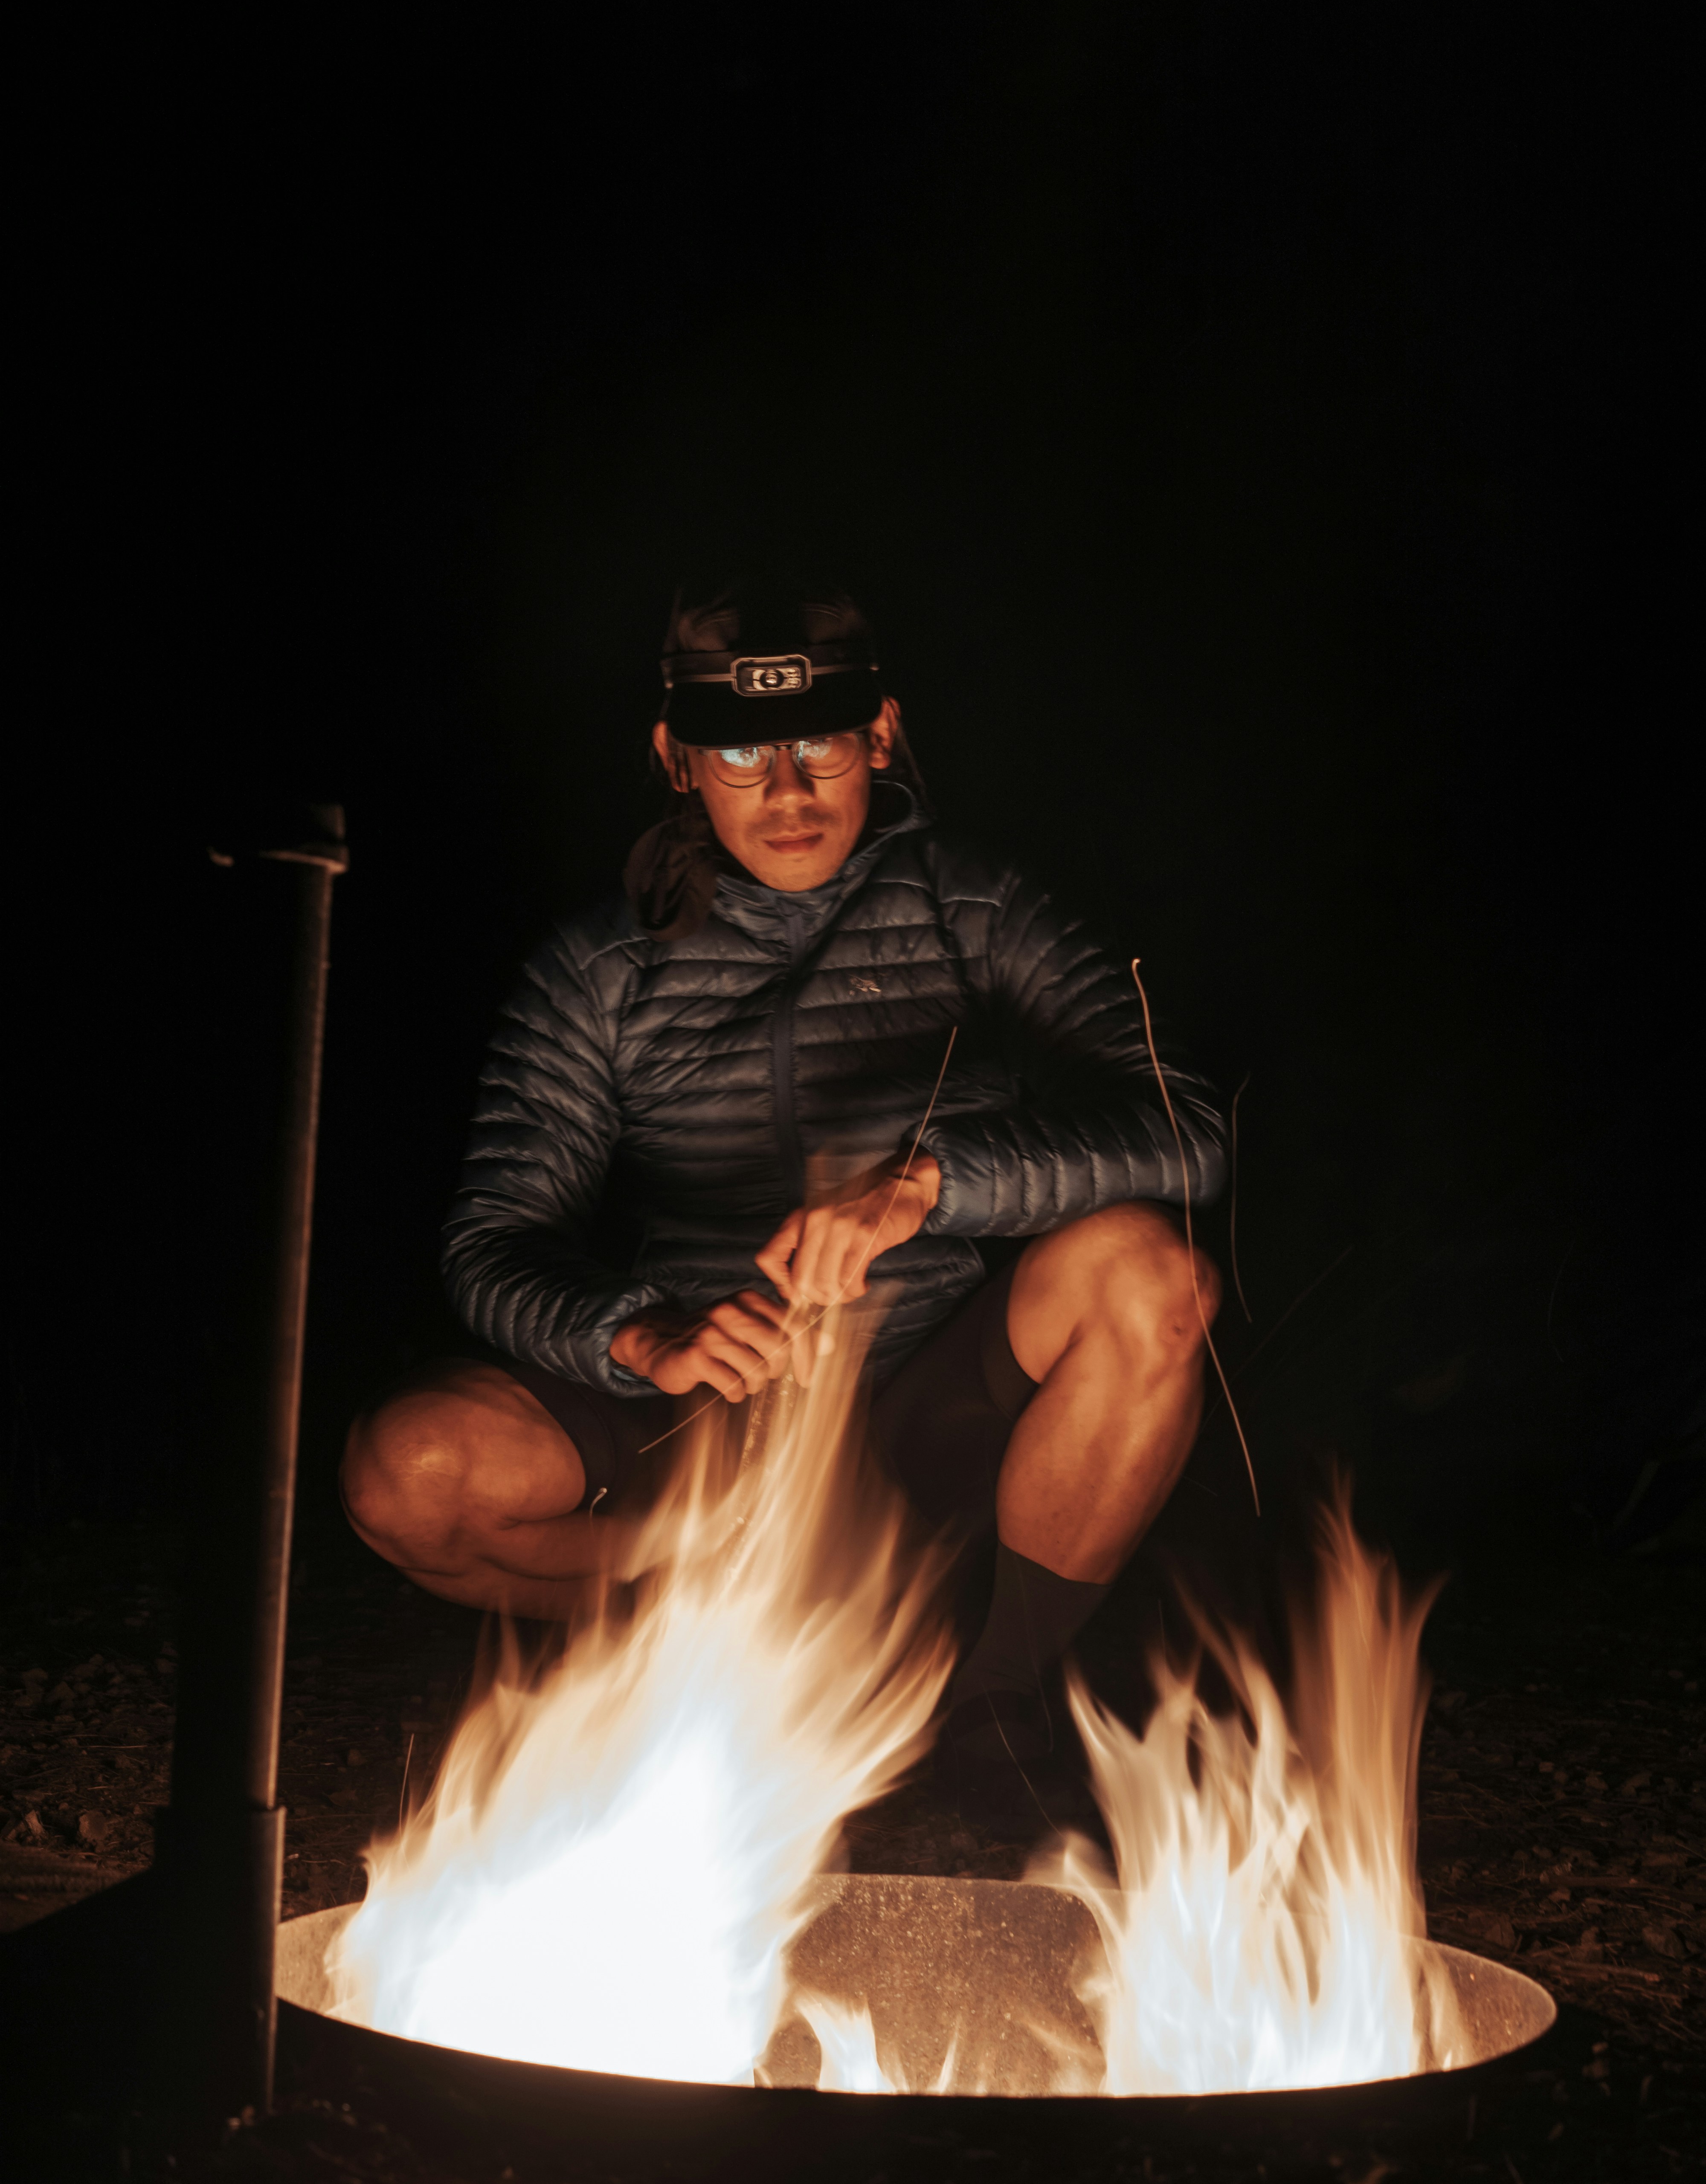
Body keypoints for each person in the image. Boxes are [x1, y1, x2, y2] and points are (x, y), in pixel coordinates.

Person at [341, 572, 1226, 1830]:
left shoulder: (978, 912)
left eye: (820, 746)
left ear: (880, 735)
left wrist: (932, 1187)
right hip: (712, 1421)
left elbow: (1187, 1130)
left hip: (937, 1397)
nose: (791, 793)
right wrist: (642, 1337)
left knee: (1151, 1277)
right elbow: (494, 1239)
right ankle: (723, 1630)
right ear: (676, 758)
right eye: (745, 755)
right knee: (407, 1470)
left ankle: (984, 1707)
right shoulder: (599, 972)